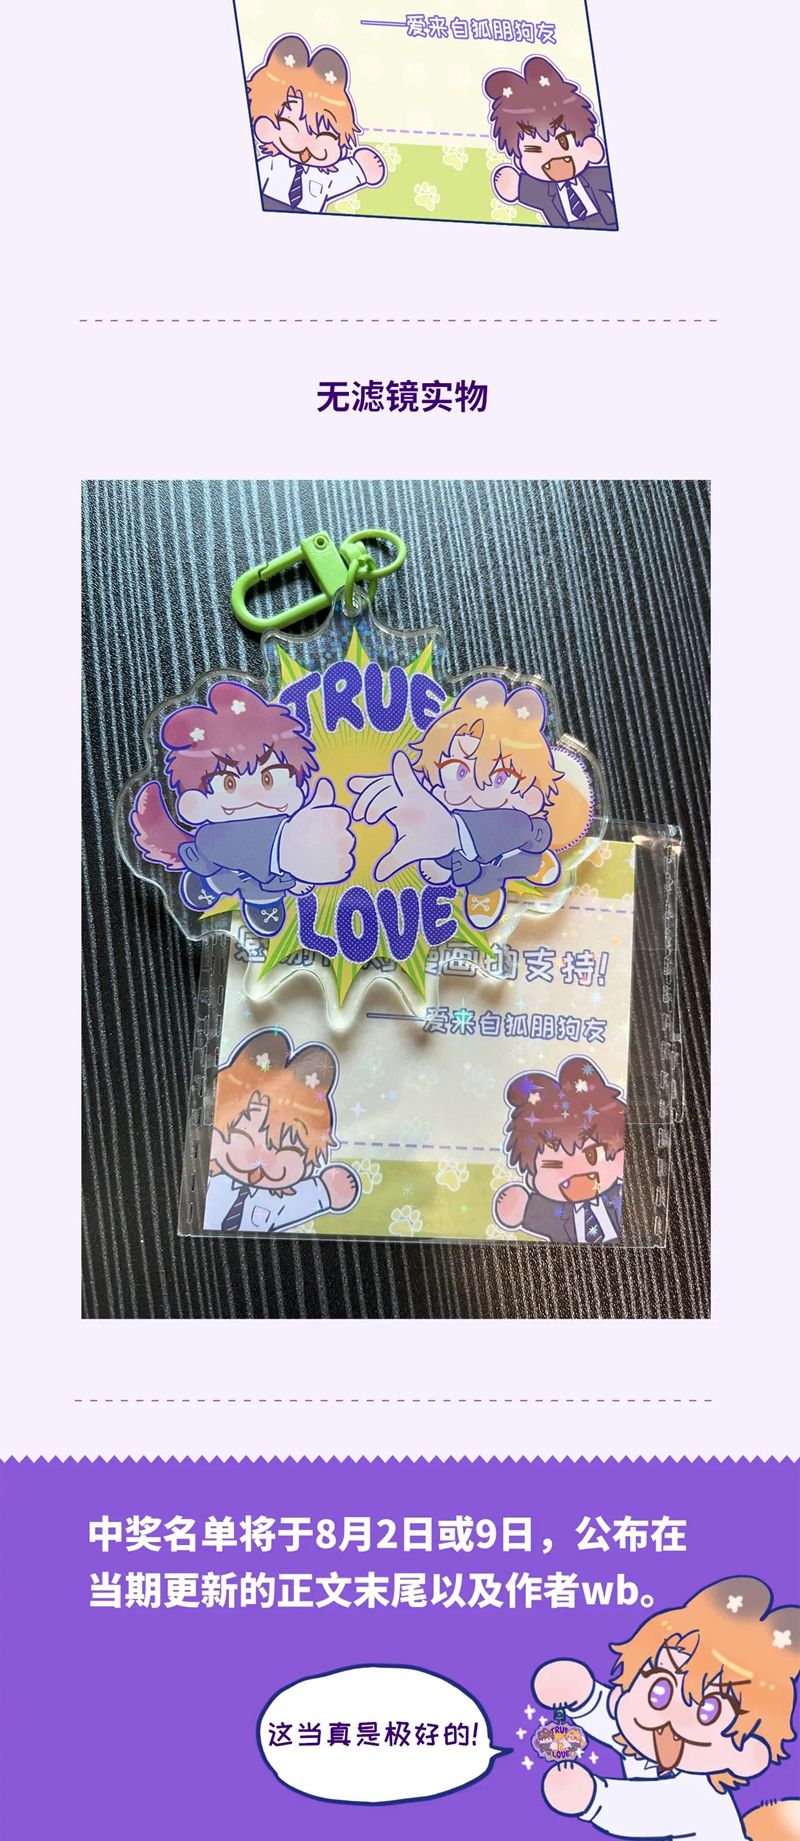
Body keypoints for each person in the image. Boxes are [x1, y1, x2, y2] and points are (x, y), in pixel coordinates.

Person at [533, 1576, 800, 1837]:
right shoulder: (651, 1735)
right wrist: (585, 1698)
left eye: (708, 1712)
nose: (672, 1720)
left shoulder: (701, 1800)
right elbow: (625, 1721)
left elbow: (652, 1811)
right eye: (660, 1690)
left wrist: (595, 1799)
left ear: (748, 1754)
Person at [203, 1028, 361, 1233]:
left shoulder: (275, 1200)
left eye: (286, 1148)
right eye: (244, 1134)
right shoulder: (209, 1180)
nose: (262, 1158)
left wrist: (325, 1191)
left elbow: (299, 1202)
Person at [247, 36, 385, 214]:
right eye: (289, 122)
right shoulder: (272, 165)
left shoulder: (324, 178)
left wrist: (361, 169)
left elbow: (343, 177)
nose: (306, 142)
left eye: (325, 134)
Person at [493, 1057, 625, 1243]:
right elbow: (530, 1213)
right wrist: (519, 1207)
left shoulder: (618, 1198)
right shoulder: (556, 1214)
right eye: (554, 1165)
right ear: (532, 1176)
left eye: (592, 1156)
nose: (578, 1179)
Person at [484, 55, 616, 228]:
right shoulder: (543, 193)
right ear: (519, 159)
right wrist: (512, 184)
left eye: (564, 142)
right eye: (535, 150)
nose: (555, 159)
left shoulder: (592, 178)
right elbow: (517, 188)